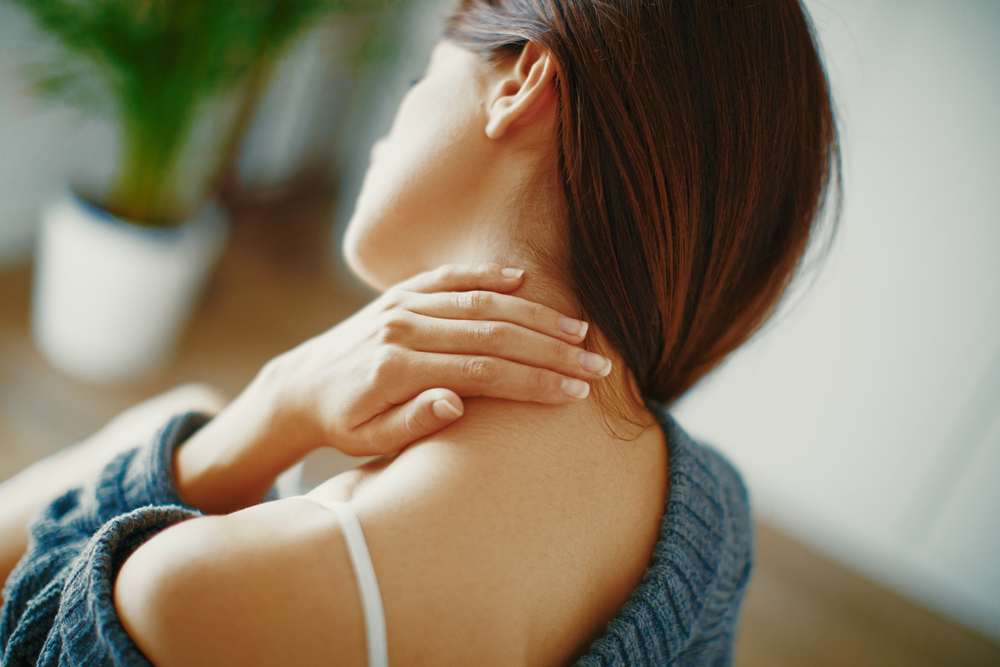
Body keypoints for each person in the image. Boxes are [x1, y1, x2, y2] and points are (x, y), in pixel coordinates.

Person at [0, 0, 838, 665]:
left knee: (172, 424)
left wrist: (254, 423)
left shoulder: (199, 594)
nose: (389, 127)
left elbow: (29, 636)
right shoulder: (713, 516)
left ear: (522, 83)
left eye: (415, 78)